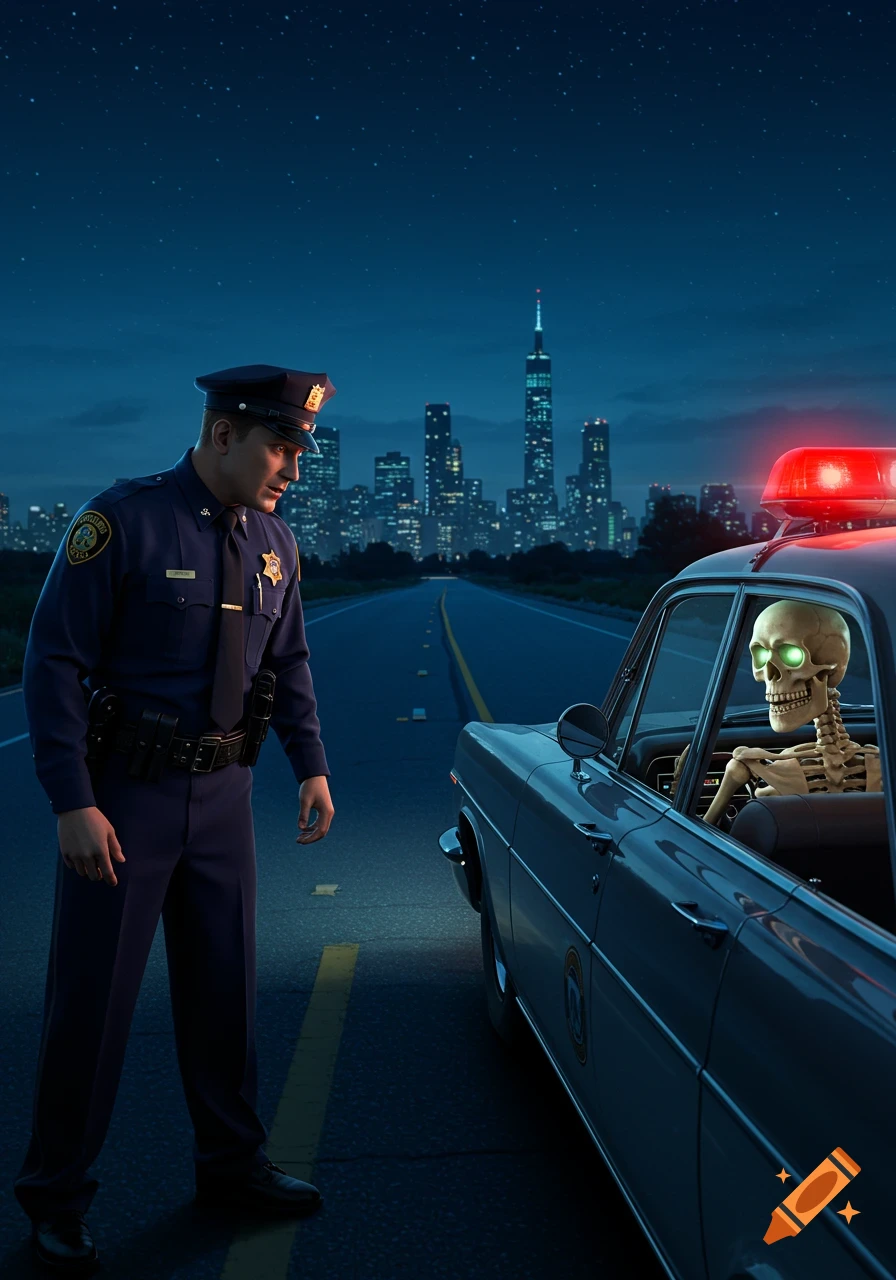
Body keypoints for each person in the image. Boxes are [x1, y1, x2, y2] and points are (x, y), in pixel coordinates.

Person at [15, 364, 337, 1273]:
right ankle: (57, 1198)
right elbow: (53, 665)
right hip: (125, 802)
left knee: (226, 995)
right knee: (95, 1005)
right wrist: (72, 800)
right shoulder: (121, 522)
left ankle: (232, 1168)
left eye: (298, 452)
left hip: (224, 800)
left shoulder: (276, 541)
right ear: (223, 433)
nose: (292, 469)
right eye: (280, 447)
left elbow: (293, 661)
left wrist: (308, 766)